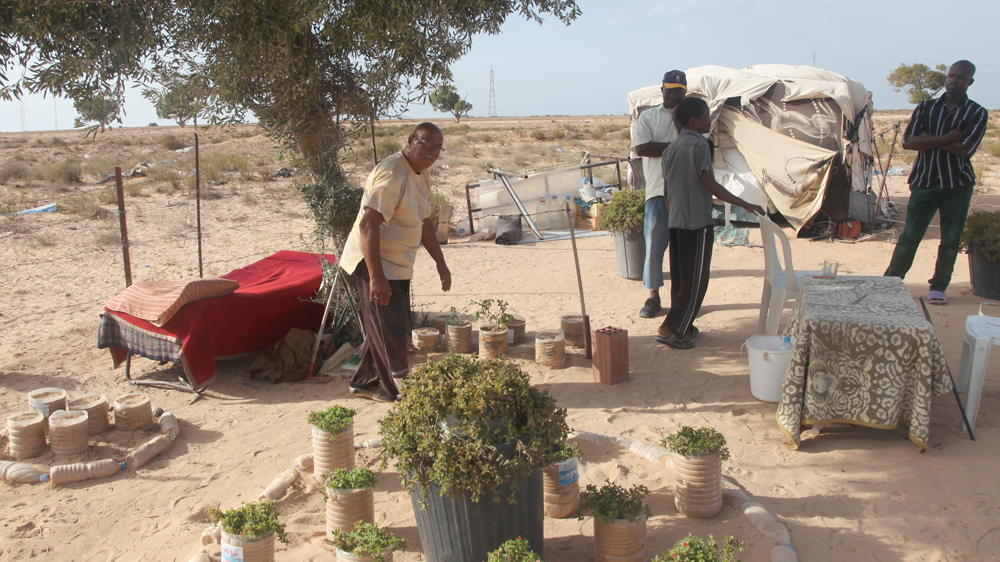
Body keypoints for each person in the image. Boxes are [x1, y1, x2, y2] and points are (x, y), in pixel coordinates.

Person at [339, 123, 452, 402]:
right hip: (376, 262)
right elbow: (368, 224)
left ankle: (364, 381)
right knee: (393, 329)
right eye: (426, 144)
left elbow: (424, 221)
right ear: (411, 140)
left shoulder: (421, 173)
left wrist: (440, 262)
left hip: (398, 263)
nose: (432, 152)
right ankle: (395, 389)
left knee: (382, 324)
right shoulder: (393, 173)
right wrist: (376, 277)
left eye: (438, 148)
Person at [657, 97, 765, 349]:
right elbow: (710, 185)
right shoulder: (700, 146)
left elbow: (666, 190)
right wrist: (746, 204)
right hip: (696, 224)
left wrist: (674, 214)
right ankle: (672, 329)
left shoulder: (670, 149)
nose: (709, 120)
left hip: (677, 221)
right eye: (706, 116)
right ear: (693, 120)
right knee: (696, 282)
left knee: (681, 280)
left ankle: (685, 326)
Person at [883, 60, 988, 305]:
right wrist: (948, 138)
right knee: (910, 234)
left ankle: (939, 286)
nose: (954, 80)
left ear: (969, 82)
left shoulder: (976, 112)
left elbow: (966, 150)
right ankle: (891, 281)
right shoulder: (926, 108)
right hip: (925, 180)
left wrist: (929, 139)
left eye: (960, 78)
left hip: (958, 183)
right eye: (951, 76)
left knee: (951, 238)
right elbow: (908, 142)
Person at [631, 70, 687, 318]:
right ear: (662, 90)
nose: (674, 95)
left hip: (685, 193)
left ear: (685, 92)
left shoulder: (691, 117)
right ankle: (653, 296)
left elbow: (698, 145)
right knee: (654, 245)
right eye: (670, 89)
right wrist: (677, 146)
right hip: (657, 191)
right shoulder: (649, 117)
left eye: (679, 91)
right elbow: (643, 148)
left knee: (683, 248)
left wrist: (679, 121)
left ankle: (681, 298)